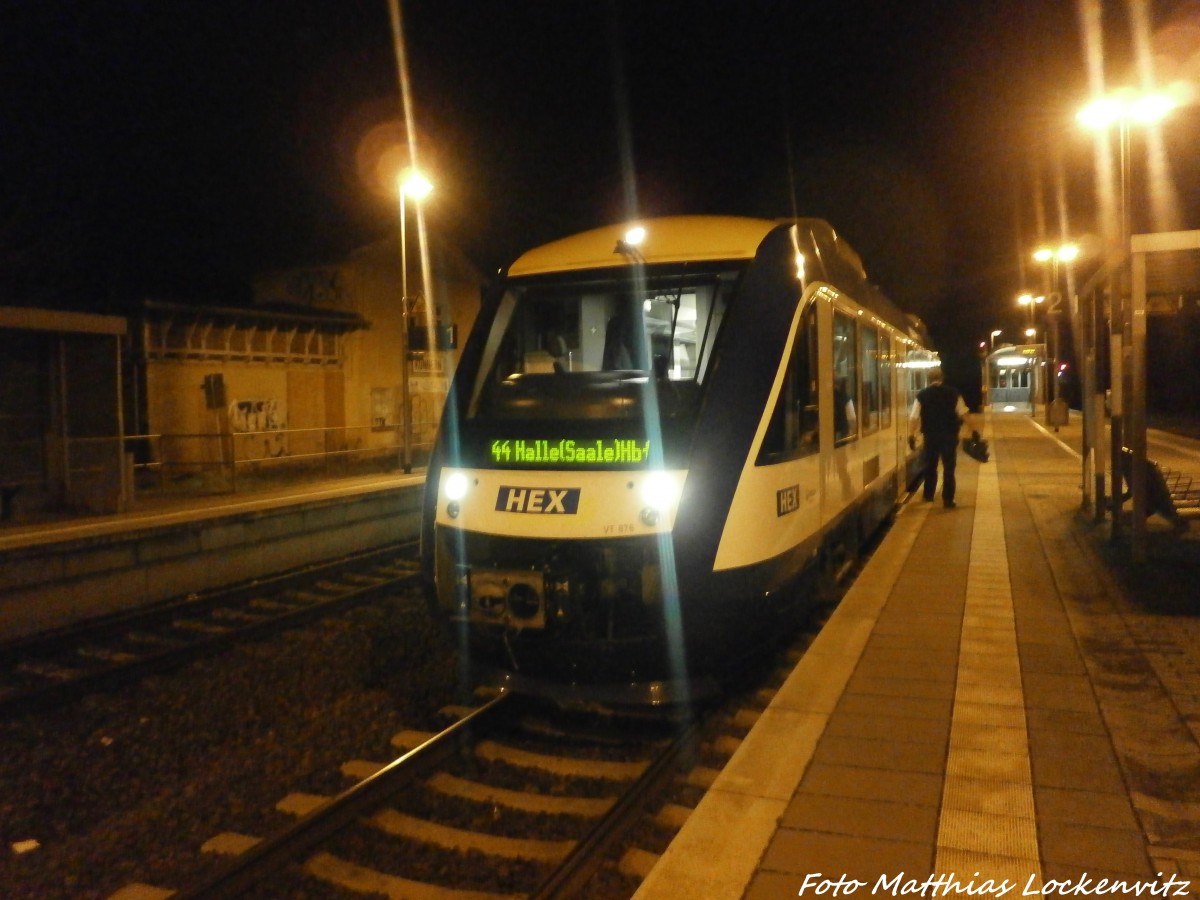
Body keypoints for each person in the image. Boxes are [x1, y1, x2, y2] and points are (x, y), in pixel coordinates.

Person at [908, 367, 973, 509]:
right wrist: (972, 430)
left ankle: (929, 495)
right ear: (942, 378)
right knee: (949, 468)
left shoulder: (922, 395)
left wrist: (911, 435)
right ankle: (948, 499)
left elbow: (913, 417)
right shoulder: (953, 393)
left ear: (929, 379)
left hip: (931, 437)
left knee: (930, 466)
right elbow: (964, 413)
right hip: (949, 436)